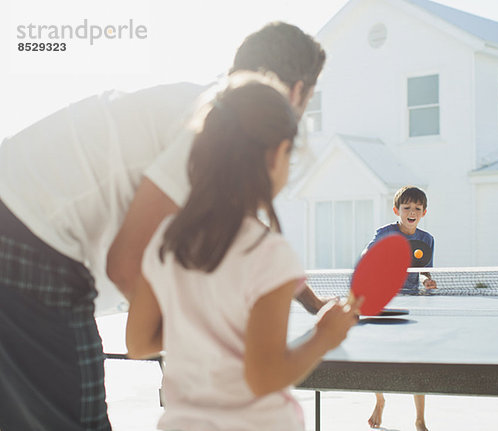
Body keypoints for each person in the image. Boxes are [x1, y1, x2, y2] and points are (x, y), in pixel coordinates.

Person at [0, 22, 327, 430]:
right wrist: (211, 335)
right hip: (24, 237)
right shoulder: (208, 128)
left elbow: (241, 244)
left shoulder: (215, 119)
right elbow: (126, 263)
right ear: (295, 92)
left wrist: (314, 303)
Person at [125, 79, 361, 430]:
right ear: (276, 155)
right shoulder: (269, 254)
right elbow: (264, 377)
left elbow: (139, 343)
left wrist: (200, 326)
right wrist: (325, 336)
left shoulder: (166, 240)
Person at [363, 186, 436, 431]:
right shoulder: (384, 234)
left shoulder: (427, 240)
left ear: (424, 212)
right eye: (407, 208)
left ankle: (419, 419)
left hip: (412, 303)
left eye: (417, 208)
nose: (411, 212)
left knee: (418, 360)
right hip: (384, 302)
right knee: (378, 358)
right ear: (397, 210)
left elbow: (426, 271)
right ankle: (380, 400)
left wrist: (427, 281)